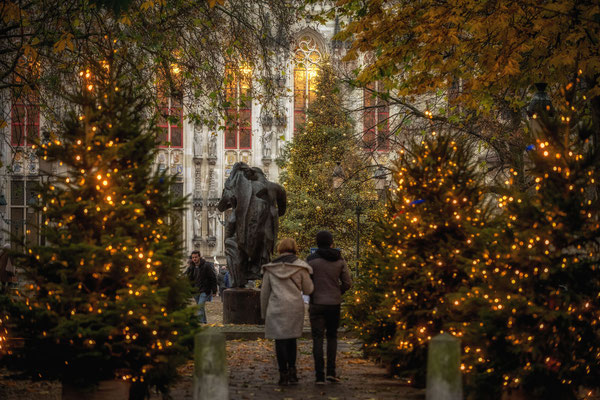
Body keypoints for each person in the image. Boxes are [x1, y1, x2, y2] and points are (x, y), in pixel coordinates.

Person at [260, 238, 314, 386]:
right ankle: (292, 370)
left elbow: (264, 293)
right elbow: (309, 289)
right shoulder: (301, 268)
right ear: (294, 248)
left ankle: (282, 372)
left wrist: (264, 313)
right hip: (294, 307)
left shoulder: (270, 269)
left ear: (279, 249)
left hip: (276, 307)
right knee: (291, 340)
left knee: (279, 341)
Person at [306, 230, 352, 384]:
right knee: (332, 337)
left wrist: (313, 291)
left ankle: (319, 375)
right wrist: (338, 291)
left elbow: (306, 283)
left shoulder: (311, 260)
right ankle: (331, 372)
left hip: (317, 302)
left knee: (317, 338)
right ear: (332, 242)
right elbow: (347, 283)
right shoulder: (339, 259)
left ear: (317, 243)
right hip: (334, 303)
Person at [184, 251, 217, 323]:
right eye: (193, 257)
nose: (194, 259)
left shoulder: (206, 266)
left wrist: (214, 290)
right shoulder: (191, 267)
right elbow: (188, 279)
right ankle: (204, 322)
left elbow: (213, 278)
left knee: (199, 307)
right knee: (200, 307)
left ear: (199, 257)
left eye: (196, 257)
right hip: (195, 290)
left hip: (204, 290)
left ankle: (200, 323)